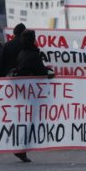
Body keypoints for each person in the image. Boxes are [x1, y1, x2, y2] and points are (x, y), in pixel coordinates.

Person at [13, 29, 54, 163]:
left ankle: (20, 148)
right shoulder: (33, 55)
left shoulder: (21, 53)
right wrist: (49, 72)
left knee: (25, 121)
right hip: (32, 95)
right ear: (33, 40)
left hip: (23, 93)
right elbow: (41, 71)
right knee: (30, 122)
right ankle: (22, 149)